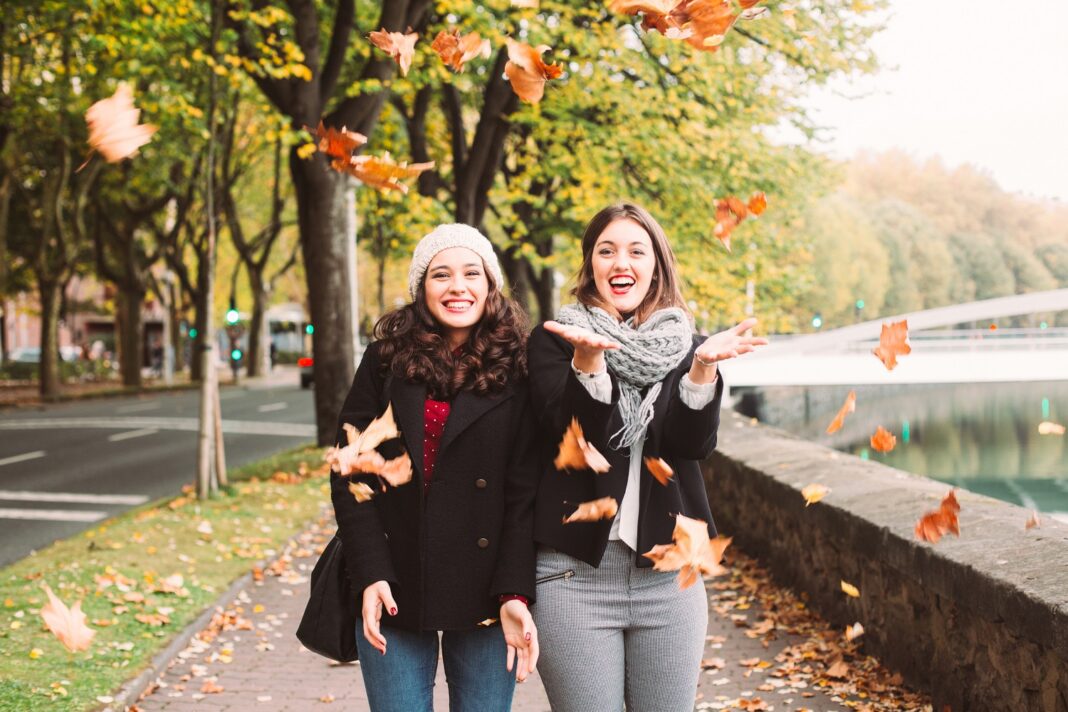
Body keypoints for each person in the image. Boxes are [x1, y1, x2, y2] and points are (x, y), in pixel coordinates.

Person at [526, 202, 768, 712]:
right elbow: (573, 440)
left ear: (656, 263)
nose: (622, 263)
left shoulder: (687, 348)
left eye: (637, 251)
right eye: (607, 250)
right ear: (590, 263)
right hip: (574, 579)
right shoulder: (556, 341)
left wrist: (701, 370)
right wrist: (588, 369)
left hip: (668, 579)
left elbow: (690, 445)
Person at [330, 224, 539, 712]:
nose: (457, 286)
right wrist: (369, 572)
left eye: (472, 272)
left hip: (488, 588)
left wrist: (514, 591)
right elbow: (351, 469)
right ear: (422, 288)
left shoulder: (521, 364)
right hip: (395, 577)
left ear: (490, 284)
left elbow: (524, 490)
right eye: (440, 274)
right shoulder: (386, 360)